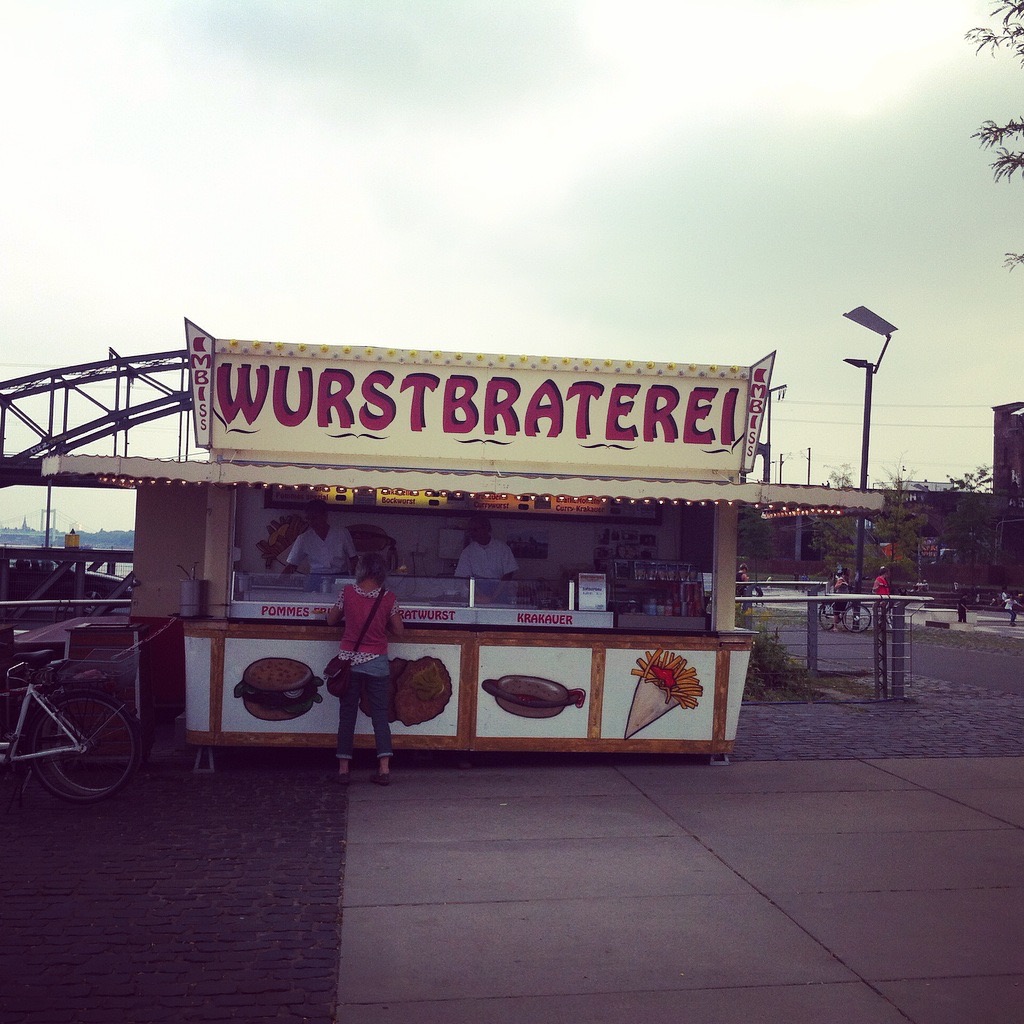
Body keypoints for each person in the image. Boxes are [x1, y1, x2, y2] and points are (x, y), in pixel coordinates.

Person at [326, 552, 405, 785]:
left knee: (347, 714)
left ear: (360, 570)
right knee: (380, 714)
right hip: (377, 662)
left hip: (349, 663)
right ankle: (384, 769)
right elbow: (399, 630)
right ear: (381, 572)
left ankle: (343, 770)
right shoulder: (388, 598)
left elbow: (331, 620)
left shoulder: (347, 593)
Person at [282, 499, 357, 589]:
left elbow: (353, 559)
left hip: (340, 577)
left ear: (325, 516)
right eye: (308, 519)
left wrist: (354, 580)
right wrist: (279, 582)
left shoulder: (342, 533)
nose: (311, 522)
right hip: (315, 578)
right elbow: (292, 564)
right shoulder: (303, 538)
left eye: (314, 518)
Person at [454, 515, 518, 602]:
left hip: (500, 592)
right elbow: (465, 577)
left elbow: (508, 574)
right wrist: (480, 596)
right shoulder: (468, 551)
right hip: (477, 595)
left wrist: (494, 596)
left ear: (486, 529)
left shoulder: (502, 548)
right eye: (471, 530)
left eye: (475, 530)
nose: (472, 533)